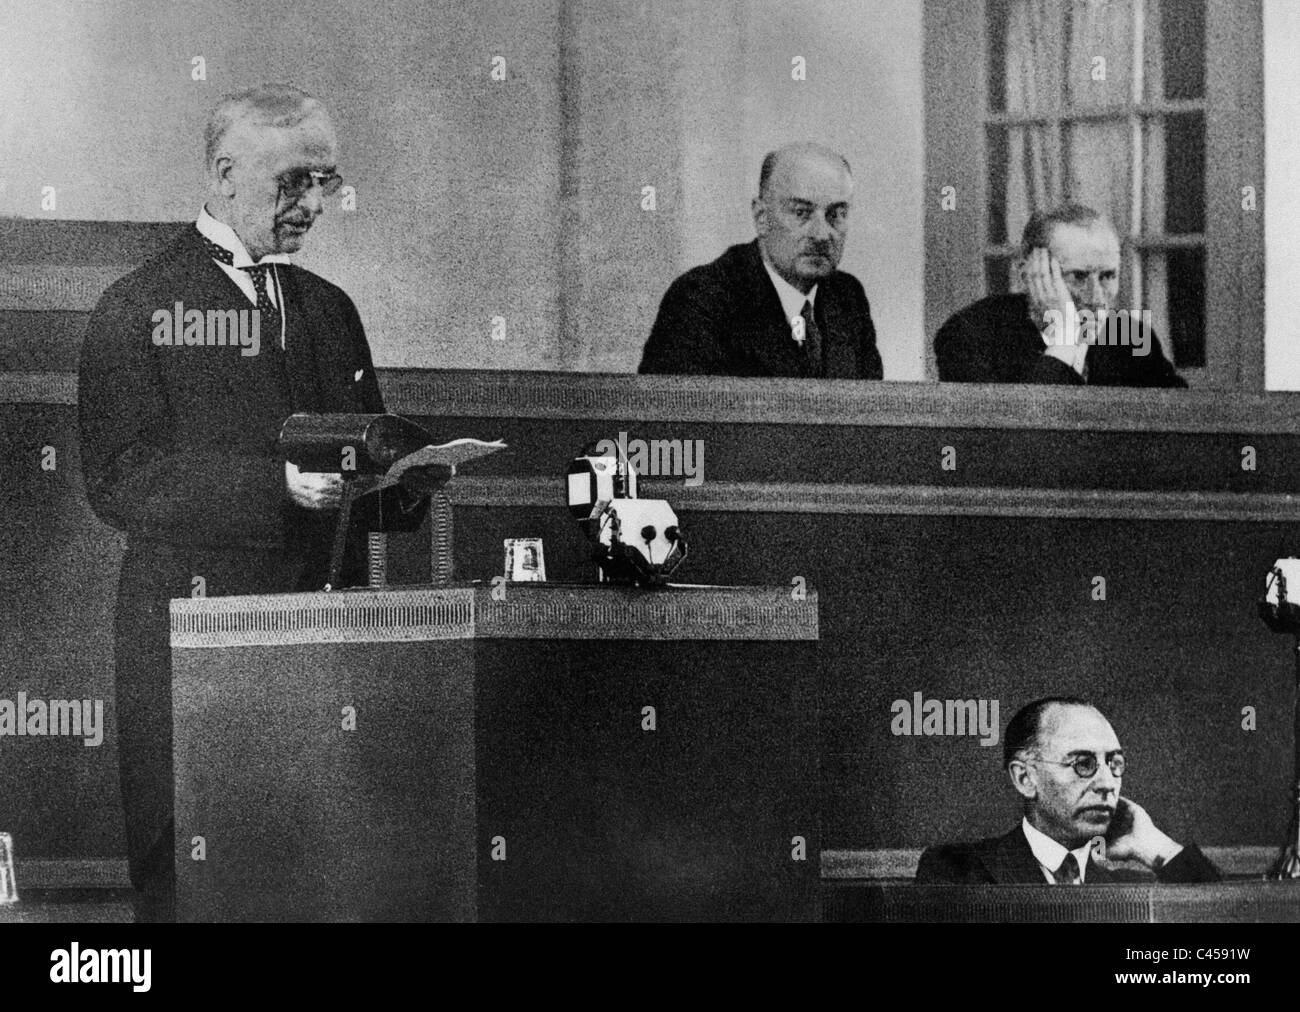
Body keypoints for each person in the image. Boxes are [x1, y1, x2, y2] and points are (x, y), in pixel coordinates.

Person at [77, 83, 422, 920]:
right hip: (189, 646)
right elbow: (121, 478)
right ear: (227, 175)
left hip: (315, 642)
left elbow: (359, 455)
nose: (311, 204)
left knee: (306, 876)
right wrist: (277, 487)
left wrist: (407, 479)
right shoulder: (138, 306)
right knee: (193, 885)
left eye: (325, 182)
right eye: (292, 182)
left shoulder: (331, 311)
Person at [638, 142, 883, 379]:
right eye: (801, 212)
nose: (821, 234)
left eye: (836, 214)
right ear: (761, 218)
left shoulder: (848, 297)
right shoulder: (701, 299)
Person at [915, 697, 1221, 884]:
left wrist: (1155, 845)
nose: (1106, 783)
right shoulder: (956, 871)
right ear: (1025, 778)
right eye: (1083, 763)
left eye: (1114, 763)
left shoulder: (1129, 887)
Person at [934, 204, 1186, 387]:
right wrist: (1065, 339)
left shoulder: (1132, 337)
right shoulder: (969, 333)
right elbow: (1013, 441)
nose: (1096, 297)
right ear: (1028, 272)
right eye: (1078, 276)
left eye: (1108, 276)